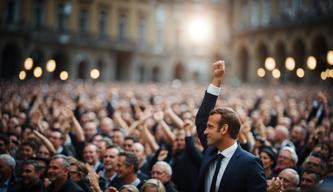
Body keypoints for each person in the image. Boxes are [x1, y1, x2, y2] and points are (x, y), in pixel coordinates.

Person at [195, 60, 266, 192]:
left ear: (224, 129)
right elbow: (201, 119)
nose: (204, 132)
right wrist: (217, 80)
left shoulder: (250, 163)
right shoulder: (211, 151)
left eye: (210, 127)